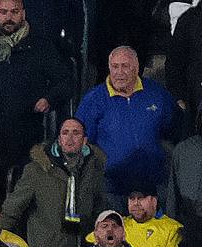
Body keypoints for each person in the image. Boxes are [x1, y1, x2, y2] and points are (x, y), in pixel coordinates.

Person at [0, 0, 73, 185]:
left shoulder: (40, 47)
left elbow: (66, 81)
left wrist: (49, 99)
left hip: (27, 139)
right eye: (3, 12)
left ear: (23, 13)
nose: (9, 17)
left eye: (14, 12)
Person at [1, 117, 106, 247]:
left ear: (85, 140)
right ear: (59, 139)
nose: (70, 138)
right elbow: (12, 210)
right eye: (65, 133)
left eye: (76, 133)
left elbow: (102, 210)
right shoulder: (37, 171)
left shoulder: (95, 170)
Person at [75, 46, 177, 203]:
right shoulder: (93, 99)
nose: (119, 72)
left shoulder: (157, 93)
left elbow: (172, 128)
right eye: (115, 66)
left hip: (154, 186)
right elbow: (83, 142)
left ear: (136, 68)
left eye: (125, 66)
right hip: (112, 188)